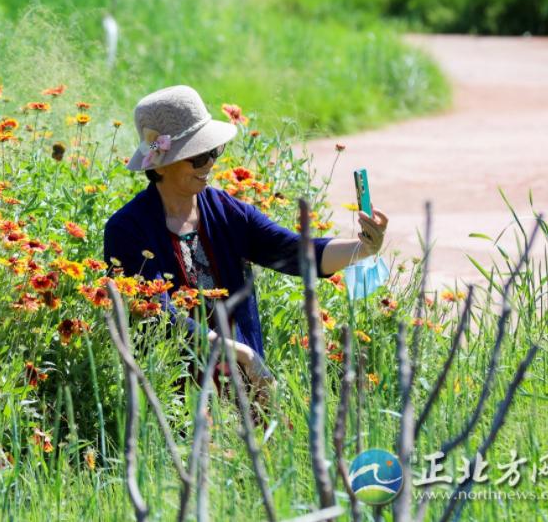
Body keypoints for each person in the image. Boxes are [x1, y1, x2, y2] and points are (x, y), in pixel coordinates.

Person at [102, 85, 388, 398]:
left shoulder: (226, 210)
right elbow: (158, 312)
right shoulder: (126, 229)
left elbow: (294, 252)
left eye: (214, 152)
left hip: (245, 389)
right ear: (163, 161)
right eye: (199, 157)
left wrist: (363, 248)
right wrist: (240, 353)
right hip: (172, 399)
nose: (211, 163)